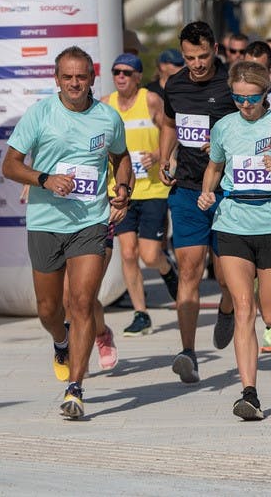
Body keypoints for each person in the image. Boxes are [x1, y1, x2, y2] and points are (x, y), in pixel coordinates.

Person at [2, 47, 131, 419]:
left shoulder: (108, 117)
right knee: (48, 308)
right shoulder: (40, 114)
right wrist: (44, 179)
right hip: (45, 220)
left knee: (82, 301)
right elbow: (11, 165)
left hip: (90, 220)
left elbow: (121, 158)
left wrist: (123, 190)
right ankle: (60, 340)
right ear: (56, 79)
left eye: (82, 76)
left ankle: (75, 388)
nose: (75, 83)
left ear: (92, 77)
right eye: (68, 77)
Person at [199, 60, 271, 420]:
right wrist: (206, 193)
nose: (244, 105)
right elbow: (214, 167)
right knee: (244, 308)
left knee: (270, 311)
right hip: (232, 223)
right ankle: (249, 394)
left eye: (252, 99)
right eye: (238, 98)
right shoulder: (224, 127)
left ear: (265, 94)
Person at [157, 21, 238, 383]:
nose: (197, 64)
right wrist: (164, 159)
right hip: (188, 189)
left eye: (203, 56)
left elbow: (254, 124)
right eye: (190, 58)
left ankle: (227, 309)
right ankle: (188, 352)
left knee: (226, 277)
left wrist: (223, 145)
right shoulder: (175, 84)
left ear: (215, 49)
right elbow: (170, 125)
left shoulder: (232, 83)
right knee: (189, 270)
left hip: (227, 191)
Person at [104, 53, 178, 337]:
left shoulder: (150, 100)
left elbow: (171, 133)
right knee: (128, 252)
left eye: (126, 72)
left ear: (137, 76)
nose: (120, 77)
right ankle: (141, 313)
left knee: (149, 255)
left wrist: (158, 155)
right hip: (122, 190)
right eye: (116, 72)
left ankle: (167, 269)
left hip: (153, 190)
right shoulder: (106, 105)